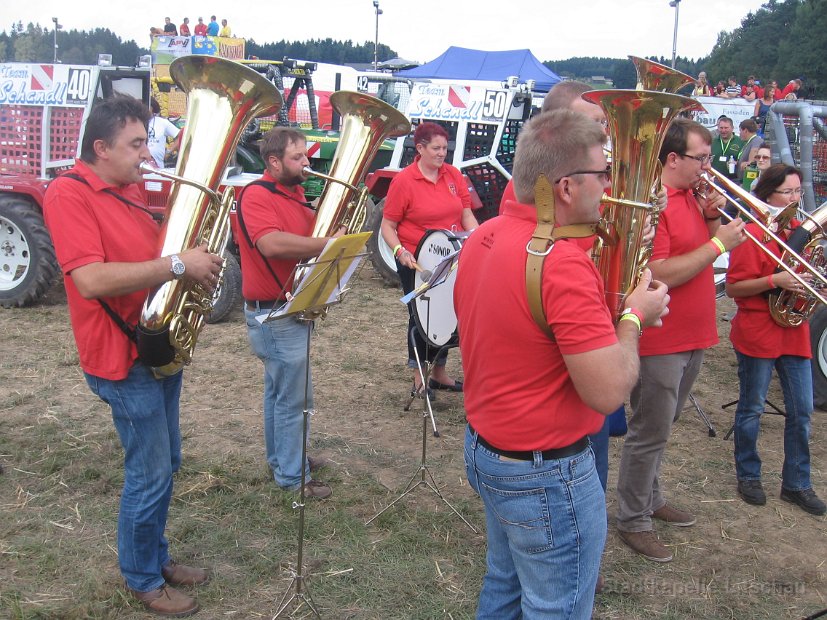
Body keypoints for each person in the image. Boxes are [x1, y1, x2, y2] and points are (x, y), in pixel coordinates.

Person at [457, 109, 669, 617]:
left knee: (503, 585)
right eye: (604, 174)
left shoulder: (485, 235)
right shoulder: (561, 263)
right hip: (544, 473)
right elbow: (608, 392)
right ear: (568, 187)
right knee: (558, 606)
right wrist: (635, 317)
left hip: (489, 449)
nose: (610, 186)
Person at [42, 95, 223, 617]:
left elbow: (157, 256)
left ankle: (156, 557)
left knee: (166, 464)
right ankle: (142, 578)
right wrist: (176, 265)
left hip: (154, 344)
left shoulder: (130, 188)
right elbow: (91, 278)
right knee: (149, 474)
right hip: (120, 359)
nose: (147, 154)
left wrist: (193, 259)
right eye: (136, 144)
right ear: (100, 147)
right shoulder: (68, 193)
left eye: (147, 142)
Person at [615, 118, 747, 563]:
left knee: (663, 427)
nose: (708, 168)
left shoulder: (692, 198)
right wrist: (717, 244)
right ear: (673, 159)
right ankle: (633, 518)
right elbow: (659, 272)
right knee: (648, 430)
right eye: (701, 159)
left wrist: (710, 218)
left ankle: (650, 498)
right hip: (662, 338)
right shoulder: (658, 204)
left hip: (693, 334)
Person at [236, 127, 340, 500]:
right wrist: (327, 243)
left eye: (306, 157)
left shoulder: (296, 195)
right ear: (274, 161)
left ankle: (285, 457)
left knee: (280, 393)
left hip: (289, 309)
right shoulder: (255, 195)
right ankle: (293, 476)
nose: (307, 164)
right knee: (295, 398)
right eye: (298, 158)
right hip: (273, 314)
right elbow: (271, 243)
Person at [726, 164, 826, 516]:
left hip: (793, 331)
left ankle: (797, 484)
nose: (796, 200)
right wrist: (775, 281)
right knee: (751, 408)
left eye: (799, 192)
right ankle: (749, 475)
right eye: (788, 193)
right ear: (769, 195)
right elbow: (734, 287)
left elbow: (810, 280)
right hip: (757, 331)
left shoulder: (803, 233)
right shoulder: (753, 233)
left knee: (802, 412)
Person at [380, 122, 478, 397]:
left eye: (445, 148)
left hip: (449, 256)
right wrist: (400, 251)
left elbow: (465, 214)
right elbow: (388, 225)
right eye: (436, 148)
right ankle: (418, 377)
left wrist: (478, 238)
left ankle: (438, 373)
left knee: (446, 313)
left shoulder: (453, 175)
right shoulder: (404, 181)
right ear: (420, 148)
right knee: (420, 316)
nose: (441, 153)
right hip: (415, 259)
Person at [147, 97, 180, 168]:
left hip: (158, 169)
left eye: (147, 106)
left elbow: (181, 136)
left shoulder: (162, 123)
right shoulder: (134, 123)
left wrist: (168, 151)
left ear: (153, 108)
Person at [711, 116, 742, 180]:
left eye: (726, 128)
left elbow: (744, 161)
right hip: (715, 179)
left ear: (732, 128)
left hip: (733, 180)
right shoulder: (712, 142)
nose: (723, 130)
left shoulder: (740, 142)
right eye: (721, 128)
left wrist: (737, 163)